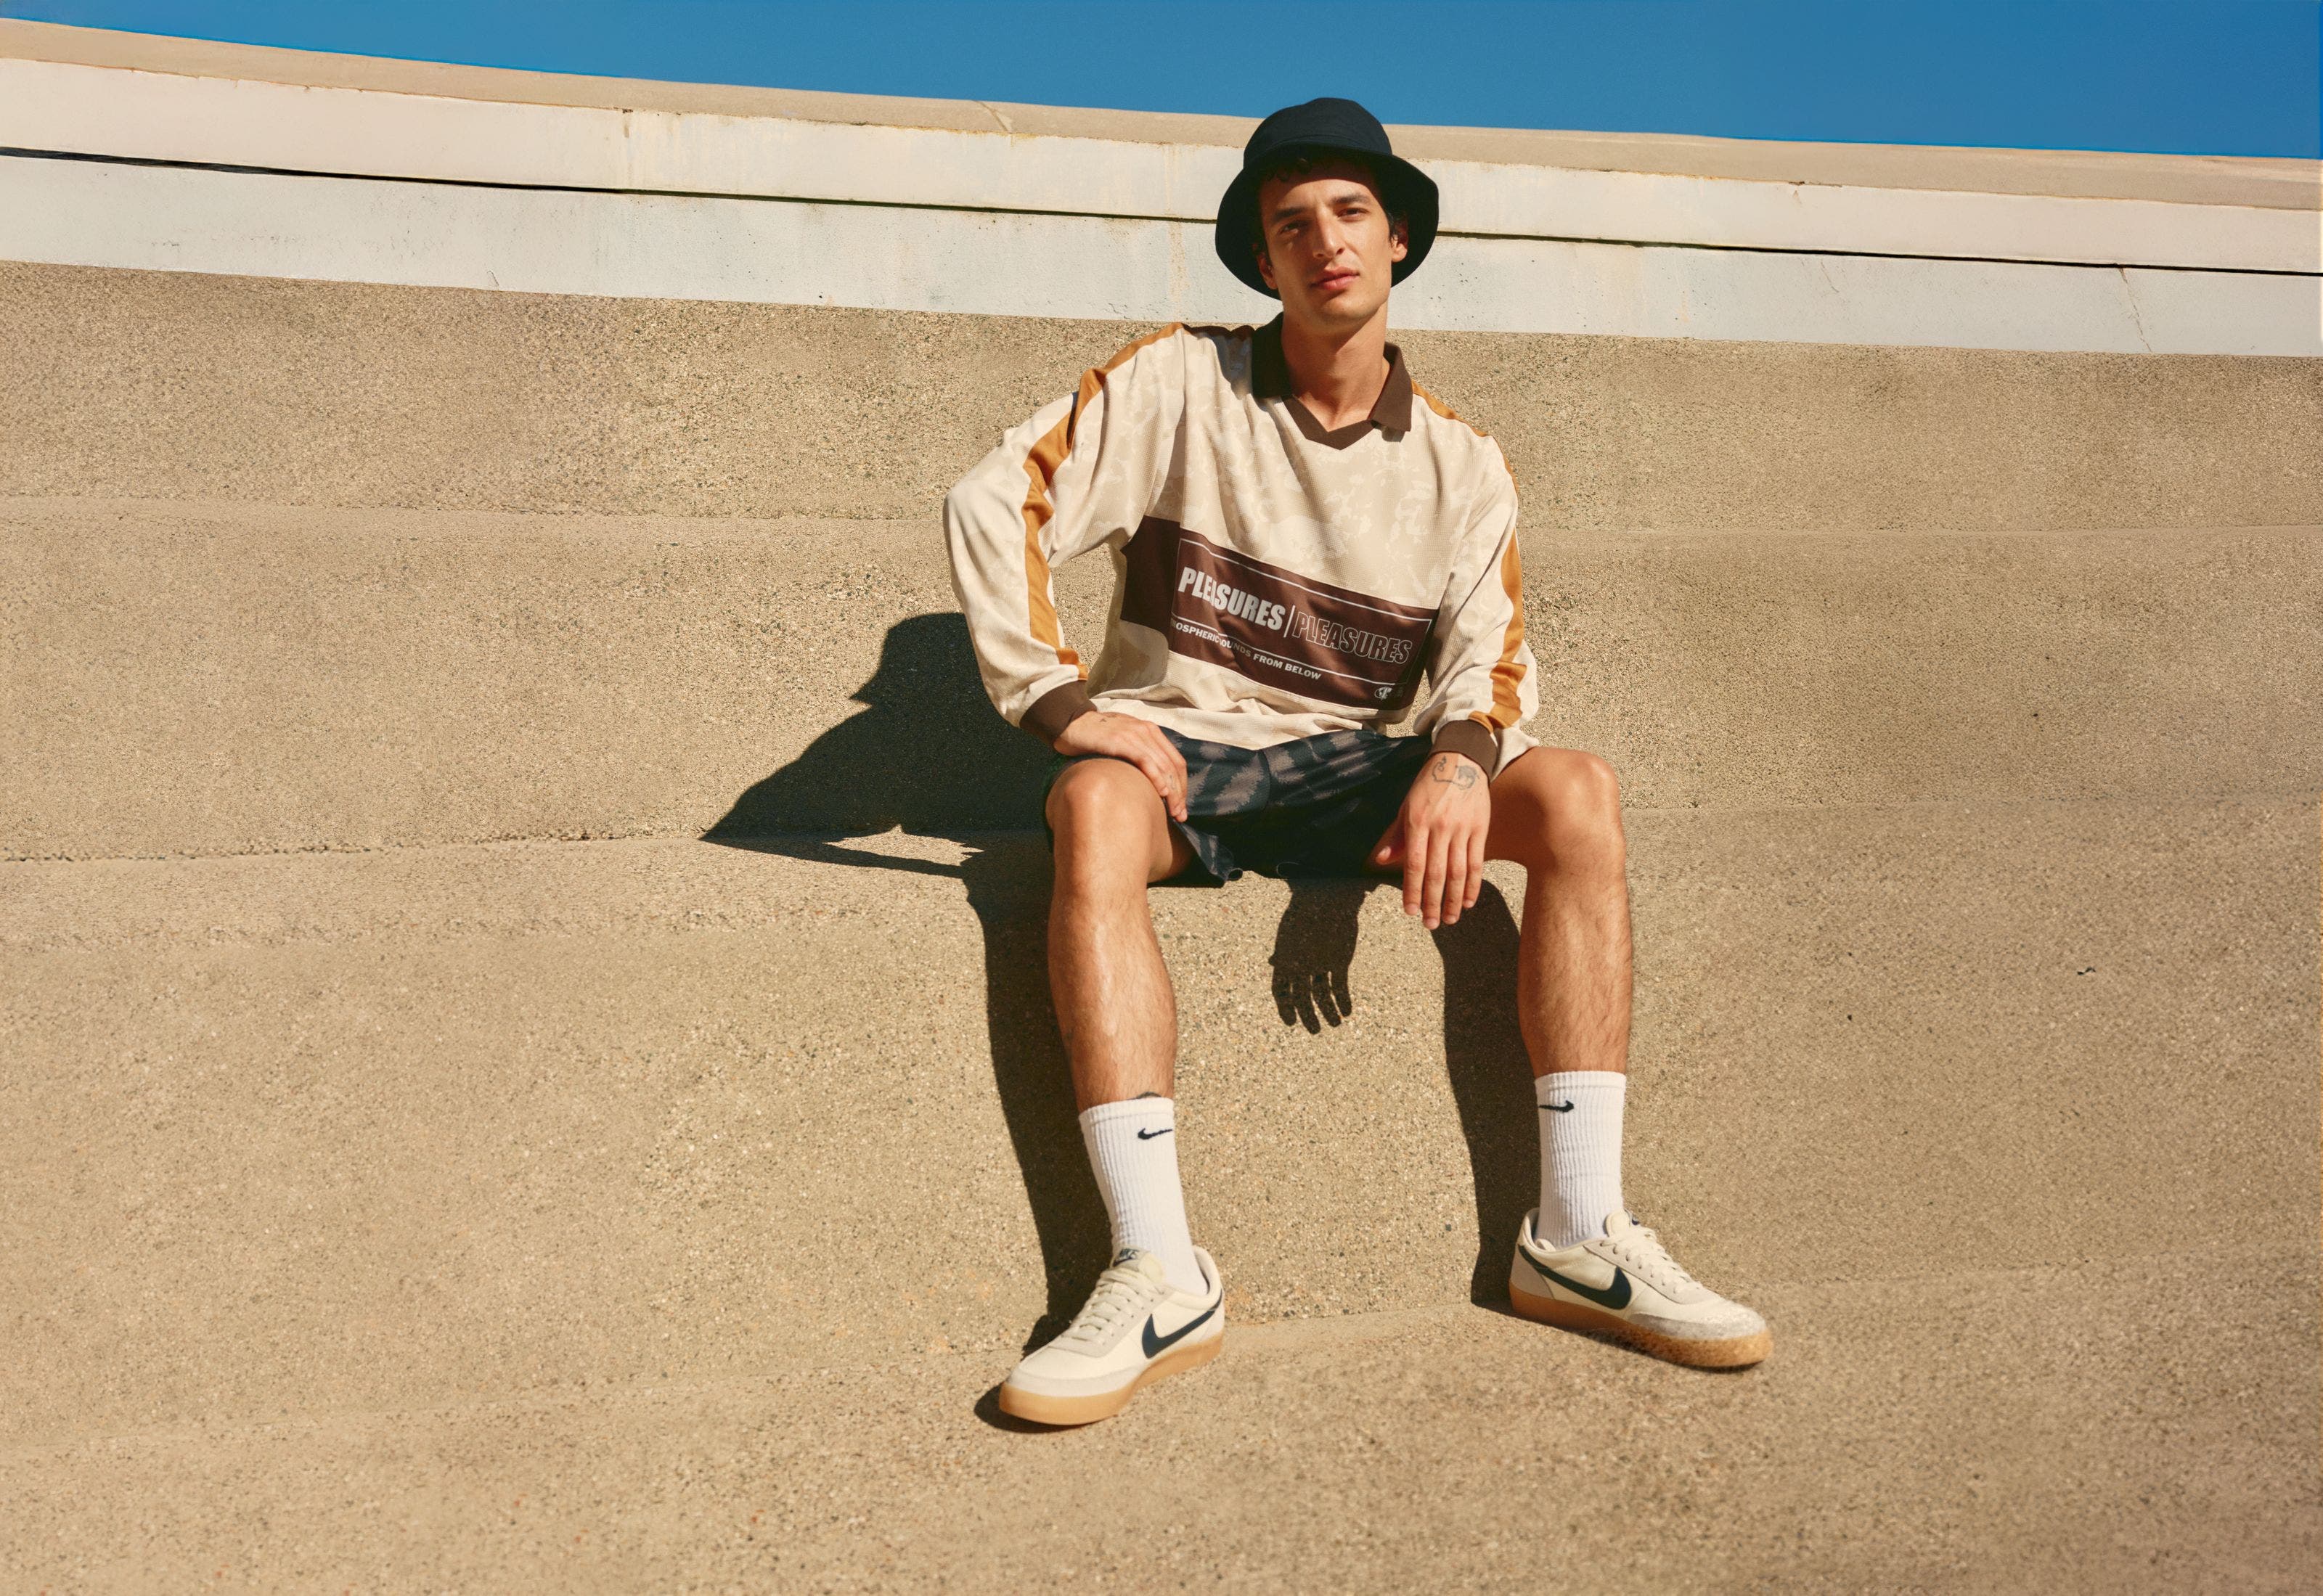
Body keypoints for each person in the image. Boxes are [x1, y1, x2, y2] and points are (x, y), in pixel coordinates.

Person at [944, 98, 1768, 1426]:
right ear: (1263, 264)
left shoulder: (1461, 462)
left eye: (1348, 214)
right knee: (1086, 804)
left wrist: (1455, 765)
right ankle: (1158, 1269)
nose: (1323, 242)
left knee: (1575, 793)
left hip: (1365, 777)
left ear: (1397, 239)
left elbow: (1492, 661)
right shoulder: (1176, 382)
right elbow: (1000, 496)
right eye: (1289, 226)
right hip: (1188, 763)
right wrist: (1058, 704)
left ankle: (1578, 1231)